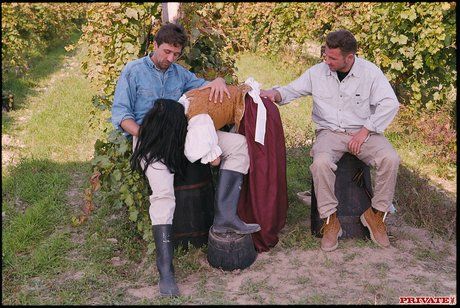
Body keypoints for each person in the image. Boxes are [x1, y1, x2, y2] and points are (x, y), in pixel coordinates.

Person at [111, 23, 259, 297]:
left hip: (184, 134)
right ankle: (165, 271)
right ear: (154, 46)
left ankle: (225, 216)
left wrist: (217, 82)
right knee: (164, 194)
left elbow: (205, 87)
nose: (170, 59)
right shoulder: (133, 71)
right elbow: (121, 115)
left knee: (238, 145)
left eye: (176, 54)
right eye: (166, 52)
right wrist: (147, 135)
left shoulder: (181, 73)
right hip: (149, 139)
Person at [260, 29, 400, 252]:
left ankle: (375, 216)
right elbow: (291, 90)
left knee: (390, 159)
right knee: (320, 164)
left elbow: (390, 104)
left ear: (350, 57)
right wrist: (272, 94)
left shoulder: (370, 73)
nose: (327, 61)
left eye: (333, 58)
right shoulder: (317, 72)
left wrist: (365, 131)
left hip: (363, 132)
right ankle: (330, 220)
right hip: (329, 133)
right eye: (325, 55)